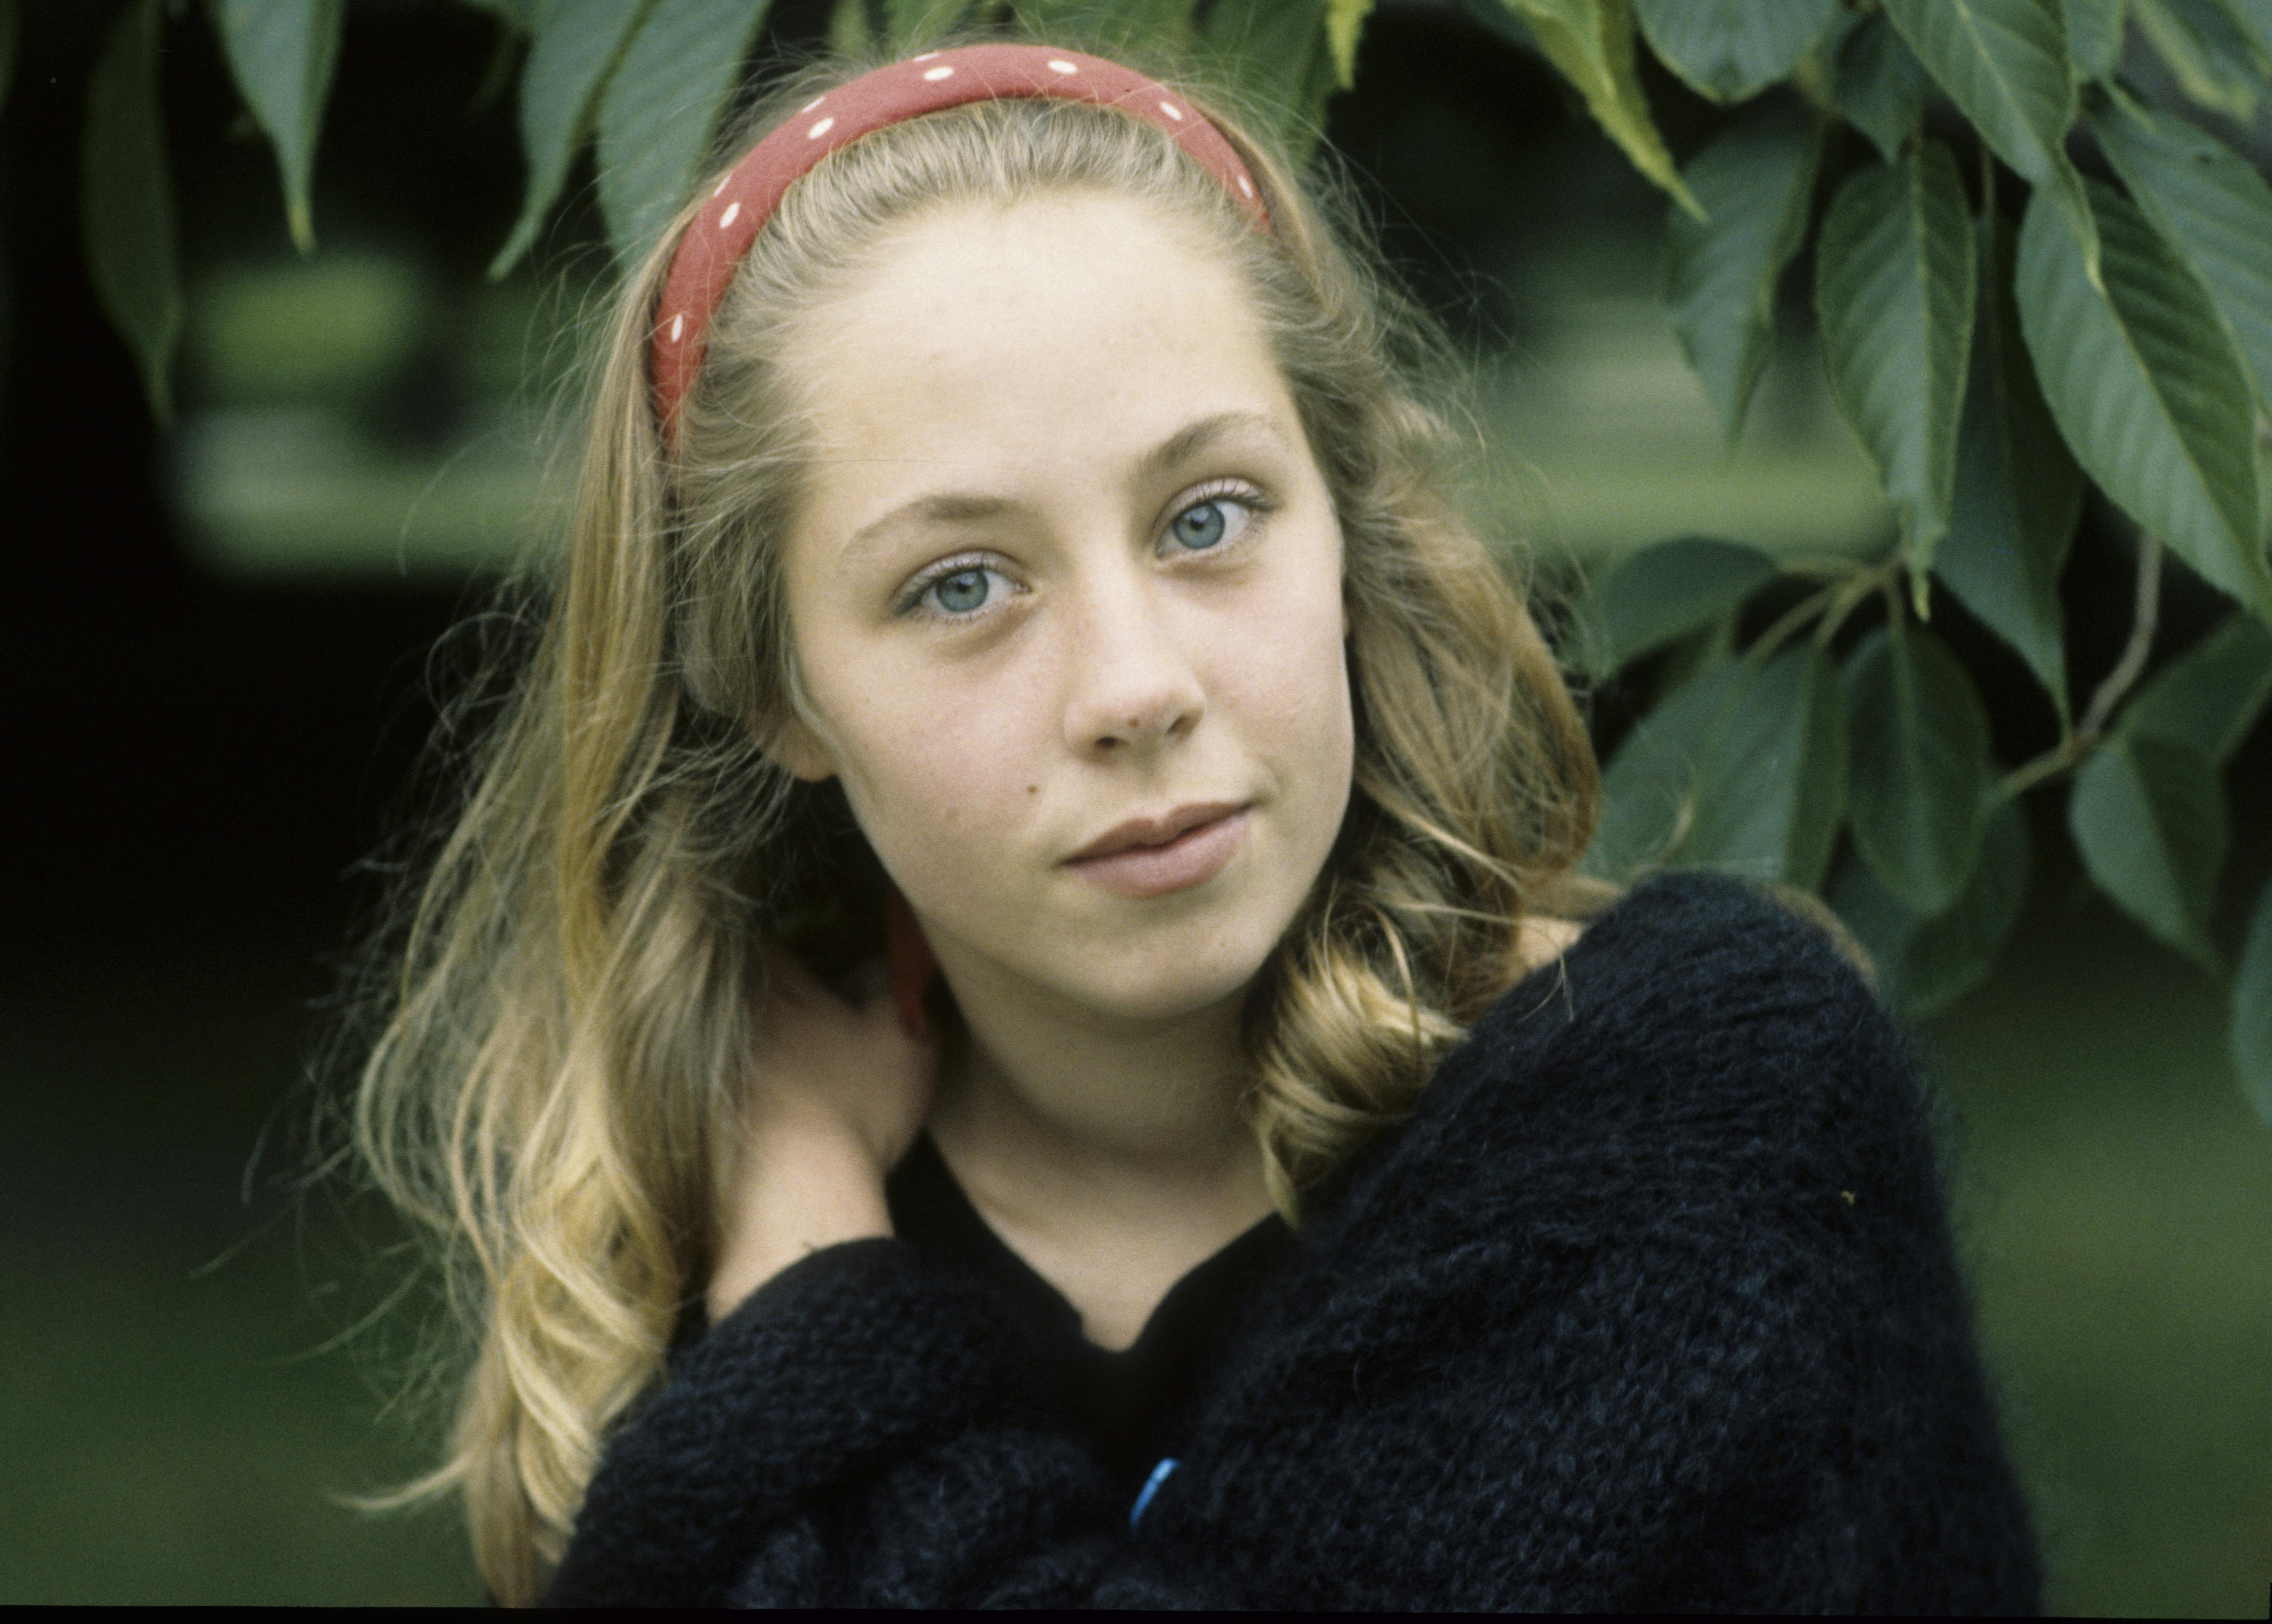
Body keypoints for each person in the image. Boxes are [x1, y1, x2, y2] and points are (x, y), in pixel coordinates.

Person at [348, 38, 2044, 1610]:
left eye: (1207, 516)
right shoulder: (660, 1272)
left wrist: (806, 1281)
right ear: (772, 689)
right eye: (958, 585)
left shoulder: (1697, 1099)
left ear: (1345, 535)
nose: (1133, 685)